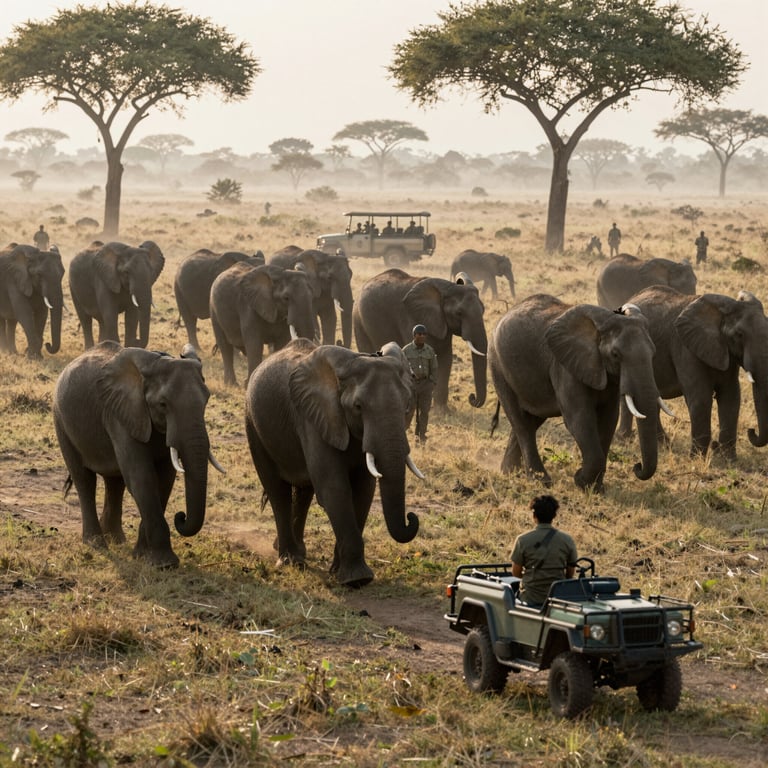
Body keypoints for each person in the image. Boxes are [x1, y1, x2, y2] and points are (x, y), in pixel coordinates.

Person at [511, 495, 578, 607]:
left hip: (529, 598)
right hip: (557, 598)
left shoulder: (522, 540)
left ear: (534, 515)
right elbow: (570, 572)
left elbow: (515, 572)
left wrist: (531, 578)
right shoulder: (567, 540)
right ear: (554, 516)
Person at [402, 324, 437, 443]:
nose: (422, 336)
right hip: (411, 385)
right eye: (419, 334)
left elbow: (434, 367)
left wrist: (432, 382)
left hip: (426, 384)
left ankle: (422, 435)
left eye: (424, 334)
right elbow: (401, 368)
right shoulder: (406, 351)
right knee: (409, 411)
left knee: (424, 411)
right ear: (414, 335)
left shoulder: (429, 351)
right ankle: (403, 435)